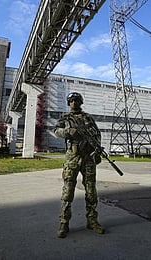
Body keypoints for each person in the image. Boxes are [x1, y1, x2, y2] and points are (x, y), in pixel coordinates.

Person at [54, 92, 105, 238]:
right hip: (72, 157)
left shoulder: (88, 118)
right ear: (68, 103)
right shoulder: (65, 118)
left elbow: (97, 134)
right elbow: (56, 131)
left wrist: (97, 150)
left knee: (91, 191)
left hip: (88, 157)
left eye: (76, 100)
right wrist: (67, 131)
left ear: (80, 102)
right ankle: (64, 223)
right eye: (70, 100)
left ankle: (92, 221)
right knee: (68, 191)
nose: (73, 103)